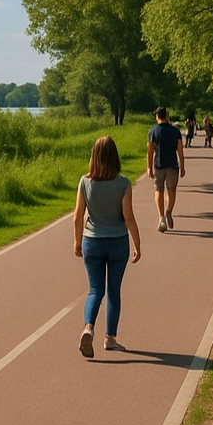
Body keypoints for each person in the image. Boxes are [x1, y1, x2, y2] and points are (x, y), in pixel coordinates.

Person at [73, 136, 141, 357]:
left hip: (91, 241)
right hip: (117, 242)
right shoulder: (123, 183)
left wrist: (77, 240)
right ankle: (110, 338)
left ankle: (88, 328)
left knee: (95, 290)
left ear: (94, 156)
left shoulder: (85, 182)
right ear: (115, 157)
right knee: (113, 291)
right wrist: (138, 244)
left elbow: (77, 216)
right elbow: (128, 217)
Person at [147, 106, 186, 233]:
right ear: (167, 116)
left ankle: (161, 217)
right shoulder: (175, 131)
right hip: (172, 165)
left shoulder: (152, 132)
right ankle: (169, 210)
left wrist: (149, 167)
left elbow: (150, 151)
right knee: (171, 190)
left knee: (159, 190)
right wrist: (182, 165)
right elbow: (180, 149)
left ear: (157, 116)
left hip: (158, 165)